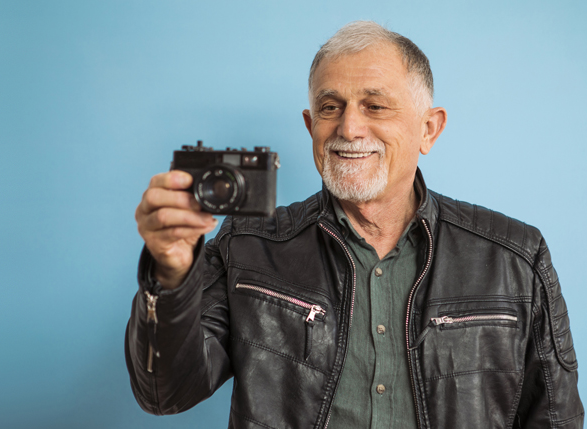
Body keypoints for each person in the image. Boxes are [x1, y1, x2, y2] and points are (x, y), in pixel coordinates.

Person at [125, 21, 584, 428]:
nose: (348, 128)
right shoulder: (247, 247)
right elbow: (166, 393)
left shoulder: (515, 259)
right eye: (330, 107)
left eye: (375, 106)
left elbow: (556, 420)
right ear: (310, 126)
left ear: (429, 129)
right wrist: (170, 274)